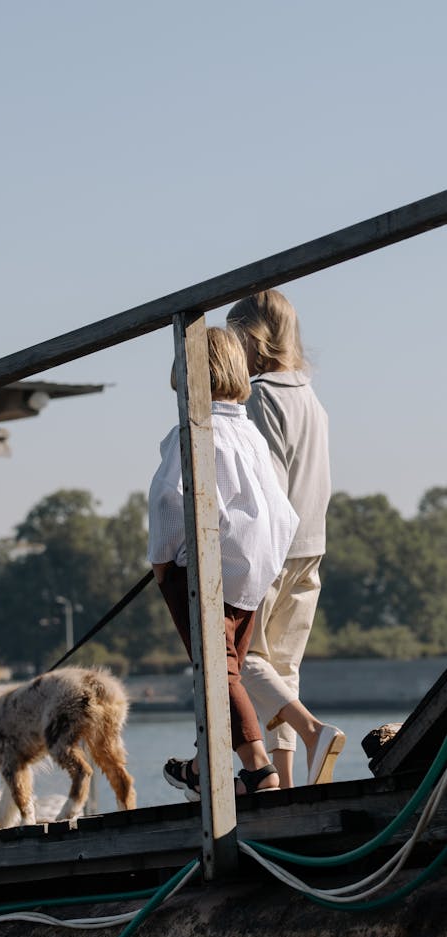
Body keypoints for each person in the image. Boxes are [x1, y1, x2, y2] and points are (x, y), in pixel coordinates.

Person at [147, 326, 298, 800]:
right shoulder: (250, 434)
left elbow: (169, 503)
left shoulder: (192, 431)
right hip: (255, 571)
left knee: (217, 671)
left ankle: (257, 768)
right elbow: (282, 511)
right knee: (224, 671)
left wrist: (162, 565)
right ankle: (202, 763)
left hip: (205, 573)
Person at [227, 289, 344, 787]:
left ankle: (313, 732)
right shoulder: (311, 399)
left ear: (252, 342)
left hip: (275, 548)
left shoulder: (262, 398)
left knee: (241, 657)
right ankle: (287, 780)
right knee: (285, 666)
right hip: (313, 543)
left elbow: (266, 485)